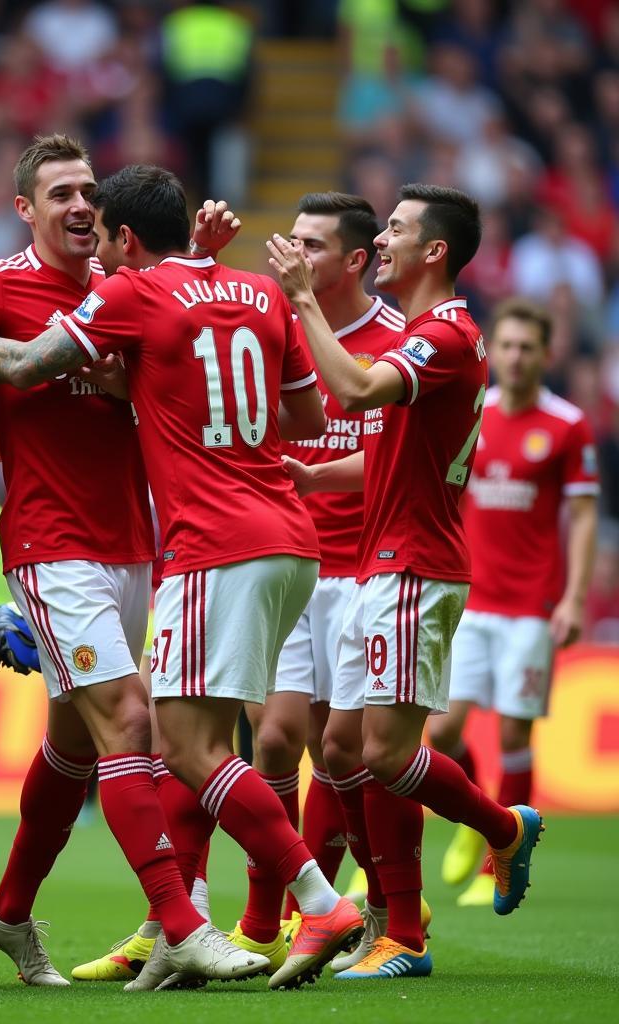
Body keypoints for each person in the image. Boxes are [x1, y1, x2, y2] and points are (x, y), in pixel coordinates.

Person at [0, 163, 367, 993]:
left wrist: (88, 354)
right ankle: (183, 921)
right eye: (62, 194)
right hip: (57, 540)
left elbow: (77, 361)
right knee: (137, 723)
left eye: (90, 198)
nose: (79, 209)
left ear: (119, 232)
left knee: (78, 743)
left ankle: (11, 908)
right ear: (26, 206)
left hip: (145, 542)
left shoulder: (124, 287)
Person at [269, 183, 544, 981]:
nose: (382, 240)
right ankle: (391, 922)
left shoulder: (443, 337)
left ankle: (493, 838)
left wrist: (300, 303)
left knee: (386, 753)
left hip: (412, 566)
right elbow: (386, 453)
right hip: (382, 565)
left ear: (435, 252)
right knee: (343, 745)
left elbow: (353, 390)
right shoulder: (428, 336)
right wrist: (311, 478)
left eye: (396, 229)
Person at [237, 192, 407, 952]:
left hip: (365, 572)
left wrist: (313, 477)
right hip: (286, 563)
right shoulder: (266, 329)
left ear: (356, 260)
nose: (293, 255)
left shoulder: (399, 340)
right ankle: (267, 919)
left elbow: (407, 463)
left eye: (311, 245)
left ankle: (386, 907)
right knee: (273, 742)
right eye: (293, 240)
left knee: (342, 756)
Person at [428, 298, 597, 906]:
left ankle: (493, 868)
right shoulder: (475, 414)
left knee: (515, 730)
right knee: (440, 734)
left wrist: (573, 598)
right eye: (507, 345)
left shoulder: (567, 425)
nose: (516, 357)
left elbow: (581, 515)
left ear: (545, 355)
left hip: (531, 607)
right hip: (469, 600)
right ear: (491, 350)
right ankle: (481, 823)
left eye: (528, 347)